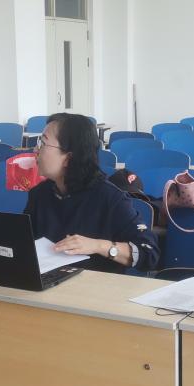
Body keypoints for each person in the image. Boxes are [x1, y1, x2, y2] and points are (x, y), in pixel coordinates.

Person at [25, 113, 159, 273]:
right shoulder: (39, 194)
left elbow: (149, 252)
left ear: (68, 158)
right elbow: (23, 244)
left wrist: (99, 246)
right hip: (50, 282)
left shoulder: (109, 198)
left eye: (43, 143)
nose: (36, 149)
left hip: (96, 285)